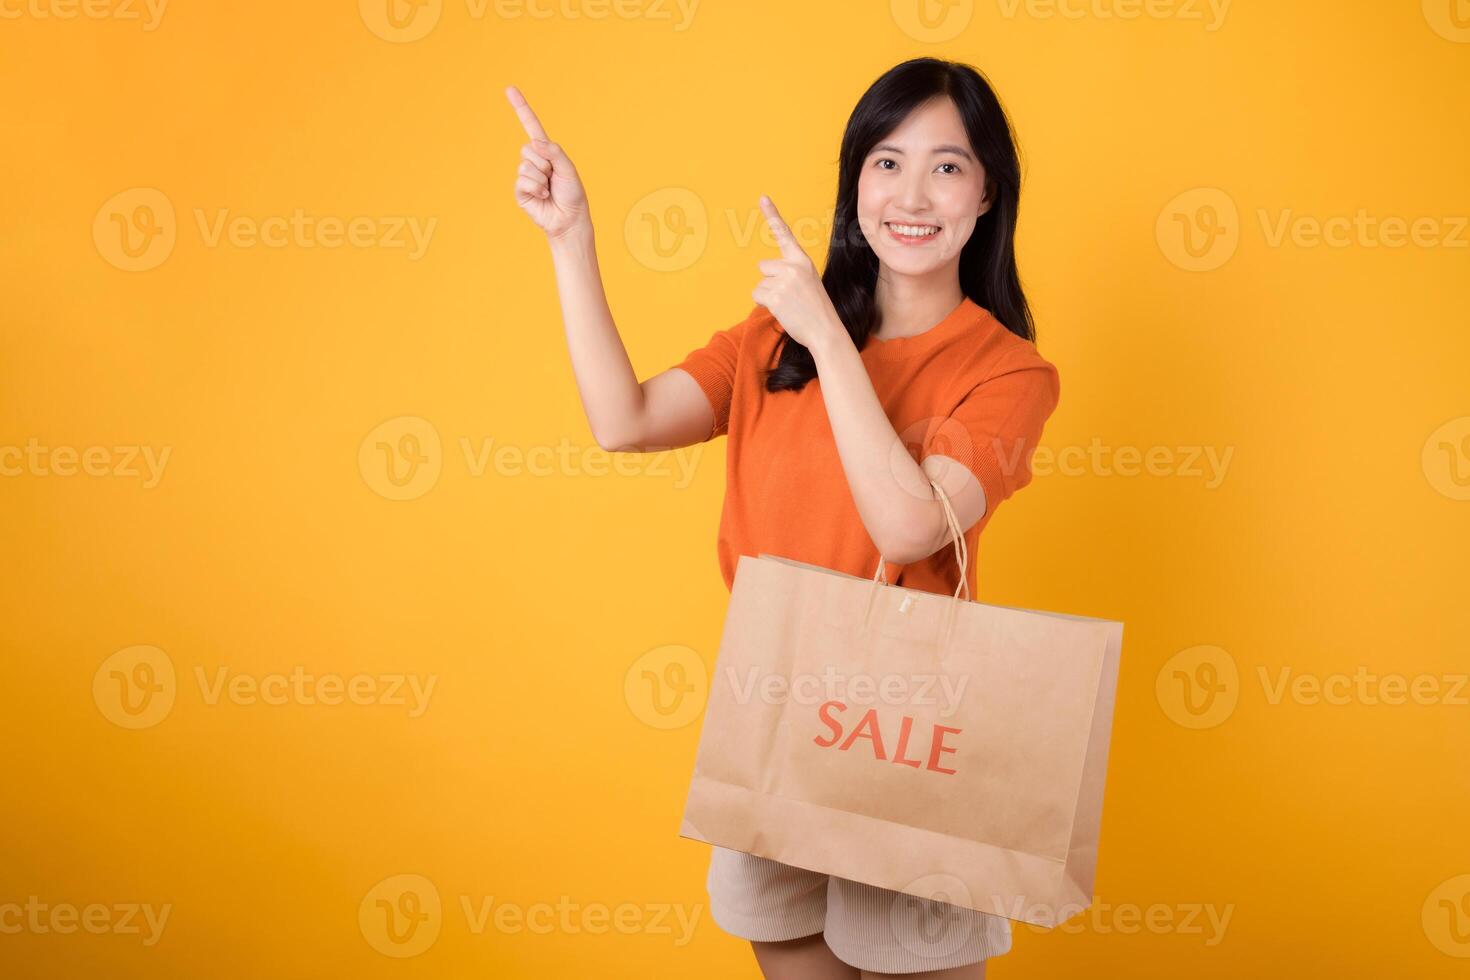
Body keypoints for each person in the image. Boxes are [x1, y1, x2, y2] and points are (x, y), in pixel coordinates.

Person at [507, 56, 1060, 980]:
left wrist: (829, 335)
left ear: (985, 193)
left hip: (912, 738)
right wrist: (571, 239)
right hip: (771, 716)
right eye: (885, 162)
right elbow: (625, 422)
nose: (911, 193)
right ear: (855, 184)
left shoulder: (1009, 373)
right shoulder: (771, 339)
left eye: (946, 165)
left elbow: (909, 528)